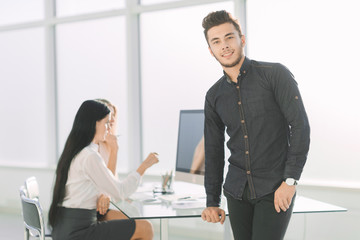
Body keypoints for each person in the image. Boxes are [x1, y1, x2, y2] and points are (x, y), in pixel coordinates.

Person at [200, 10, 310, 240]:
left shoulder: (274, 75)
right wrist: (212, 200)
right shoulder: (213, 95)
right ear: (211, 50)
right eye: (217, 41)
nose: (225, 46)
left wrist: (290, 181)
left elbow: (300, 126)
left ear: (242, 39)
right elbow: (213, 150)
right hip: (236, 191)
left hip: (275, 188)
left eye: (230, 37)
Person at [48, 100, 159, 240]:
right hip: (78, 232)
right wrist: (144, 166)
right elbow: (121, 191)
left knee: (127, 222)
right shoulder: (90, 156)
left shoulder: (77, 150)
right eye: (106, 123)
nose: (109, 127)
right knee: (145, 228)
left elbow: (106, 186)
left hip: (65, 227)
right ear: (94, 123)